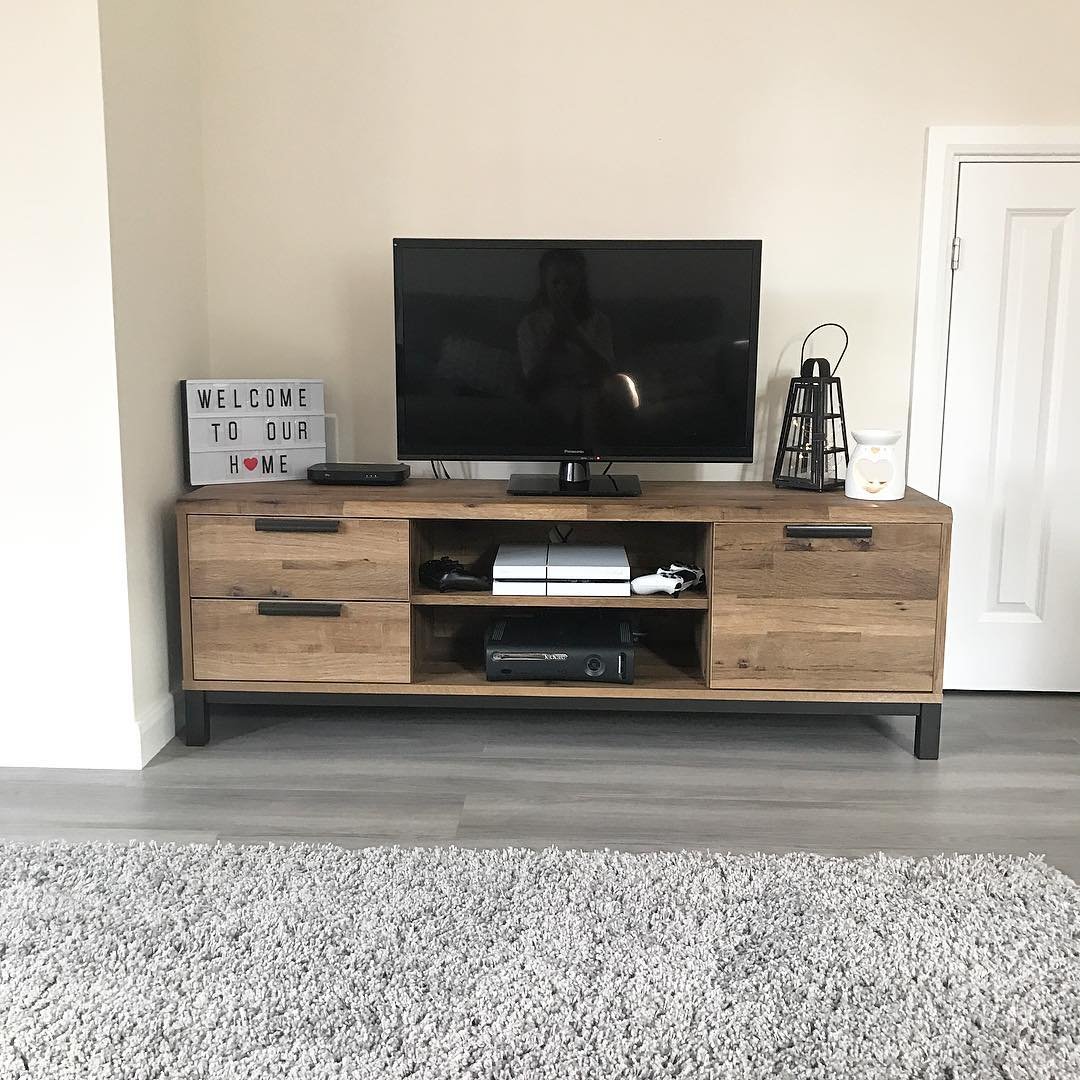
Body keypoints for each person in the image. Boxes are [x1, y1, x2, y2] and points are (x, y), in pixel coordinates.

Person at [516, 249, 637, 438]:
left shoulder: (599, 321)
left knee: (610, 389)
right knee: (585, 401)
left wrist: (576, 335)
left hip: (595, 387)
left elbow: (607, 370)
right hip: (553, 391)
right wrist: (557, 334)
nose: (563, 289)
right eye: (556, 282)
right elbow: (532, 380)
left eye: (570, 282)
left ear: (581, 284)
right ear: (544, 283)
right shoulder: (530, 324)